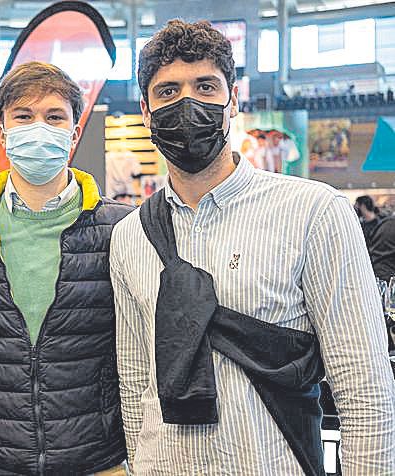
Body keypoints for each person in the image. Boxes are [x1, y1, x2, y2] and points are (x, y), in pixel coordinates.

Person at [111, 20, 395, 475]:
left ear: (233, 100)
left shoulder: (312, 212)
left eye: (205, 86)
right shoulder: (130, 237)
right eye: (167, 92)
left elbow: (364, 385)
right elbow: (134, 379)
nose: (187, 104)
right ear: (146, 111)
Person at [0, 61, 132, 475]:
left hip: (97, 459)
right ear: (2, 134)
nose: (39, 127)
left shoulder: (119, 228)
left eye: (54, 117)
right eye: (24, 117)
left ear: (74, 133)